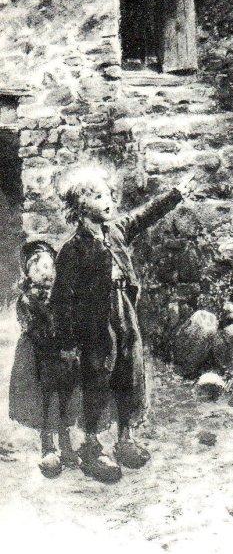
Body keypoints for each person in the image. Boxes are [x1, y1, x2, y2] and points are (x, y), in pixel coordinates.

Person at [49, 165, 195, 483]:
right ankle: (92, 446)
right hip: (94, 325)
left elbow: (144, 215)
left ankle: (125, 439)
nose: (109, 202)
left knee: (129, 371)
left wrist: (175, 195)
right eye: (99, 197)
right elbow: (60, 301)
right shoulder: (72, 250)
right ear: (80, 206)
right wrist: (67, 343)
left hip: (123, 312)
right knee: (97, 378)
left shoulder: (115, 231)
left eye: (109, 196)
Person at [8, 240, 80, 478]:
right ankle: (48, 446)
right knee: (46, 399)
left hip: (63, 357)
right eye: (40, 269)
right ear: (29, 273)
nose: (47, 274)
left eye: (50, 268)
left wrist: (71, 345)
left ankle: (66, 443)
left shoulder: (62, 297)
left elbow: (70, 323)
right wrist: (56, 347)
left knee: (66, 397)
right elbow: (35, 331)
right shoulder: (27, 300)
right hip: (40, 358)